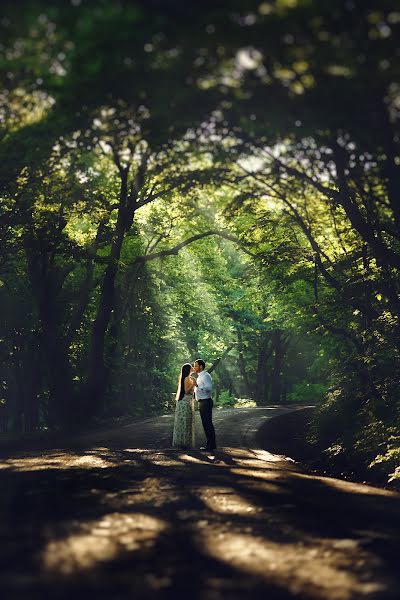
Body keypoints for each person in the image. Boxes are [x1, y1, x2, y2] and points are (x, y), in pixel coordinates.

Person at [193, 358, 217, 451]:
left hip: (205, 402)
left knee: (207, 424)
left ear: (201, 366)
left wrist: (197, 385)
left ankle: (210, 446)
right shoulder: (200, 376)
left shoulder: (205, 375)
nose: (194, 367)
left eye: (195, 365)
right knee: (206, 424)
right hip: (202, 402)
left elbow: (208, 388)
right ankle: (211, 445)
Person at [172, 363, 196, 449]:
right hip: (185, 401)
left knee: (187, 421)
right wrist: (194, 384)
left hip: (188, 400)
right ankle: (183, 442)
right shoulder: (186, 378)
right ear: (188, 370)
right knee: (185, 421)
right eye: (191, 367)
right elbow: (186, 391)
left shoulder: (189, 378)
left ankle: (186, 442)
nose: (193, 368)